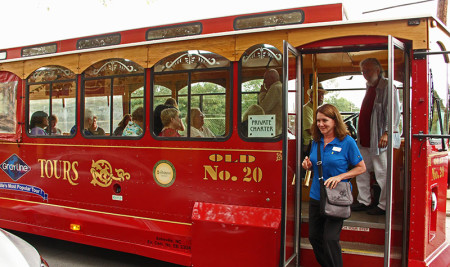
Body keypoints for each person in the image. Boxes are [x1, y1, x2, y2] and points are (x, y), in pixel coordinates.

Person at [302, 104, 366, 267]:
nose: (320, 124)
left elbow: (361, 167)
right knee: (314, 237)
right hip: (317, 195)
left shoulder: (347, 142)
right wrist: (307, 164)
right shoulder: (316, 141)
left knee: (330, 239)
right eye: (318, 121)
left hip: (337, 197)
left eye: (325, 120)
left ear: (335, 121)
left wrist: (340, 176)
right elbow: (314, 162)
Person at [351, 58, 401, 216]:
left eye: (368, 70)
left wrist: (387, 132)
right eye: (363, 71)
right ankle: (364, 200)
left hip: (379, 139)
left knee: (382, 172)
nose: (365, 74)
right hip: (365, 139)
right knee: (361, 169)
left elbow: (393, 112)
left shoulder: (387, 87)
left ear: (378, 71)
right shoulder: (369, 87)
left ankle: (384, 205)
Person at [303, 83, 327, 154]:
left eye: (322, 95)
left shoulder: (316, 110)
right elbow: (310, 130)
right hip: (308, 145)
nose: (321, 97)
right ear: (311, 96)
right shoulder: (306, 109)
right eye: (319, 94)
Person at [258, 68, 282, 136]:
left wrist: (262, 93)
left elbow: (263, 108)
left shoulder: (275, 88)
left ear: (272, 78)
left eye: (265, 79)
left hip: (273, 128)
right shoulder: (280, 87)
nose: (264, 82)